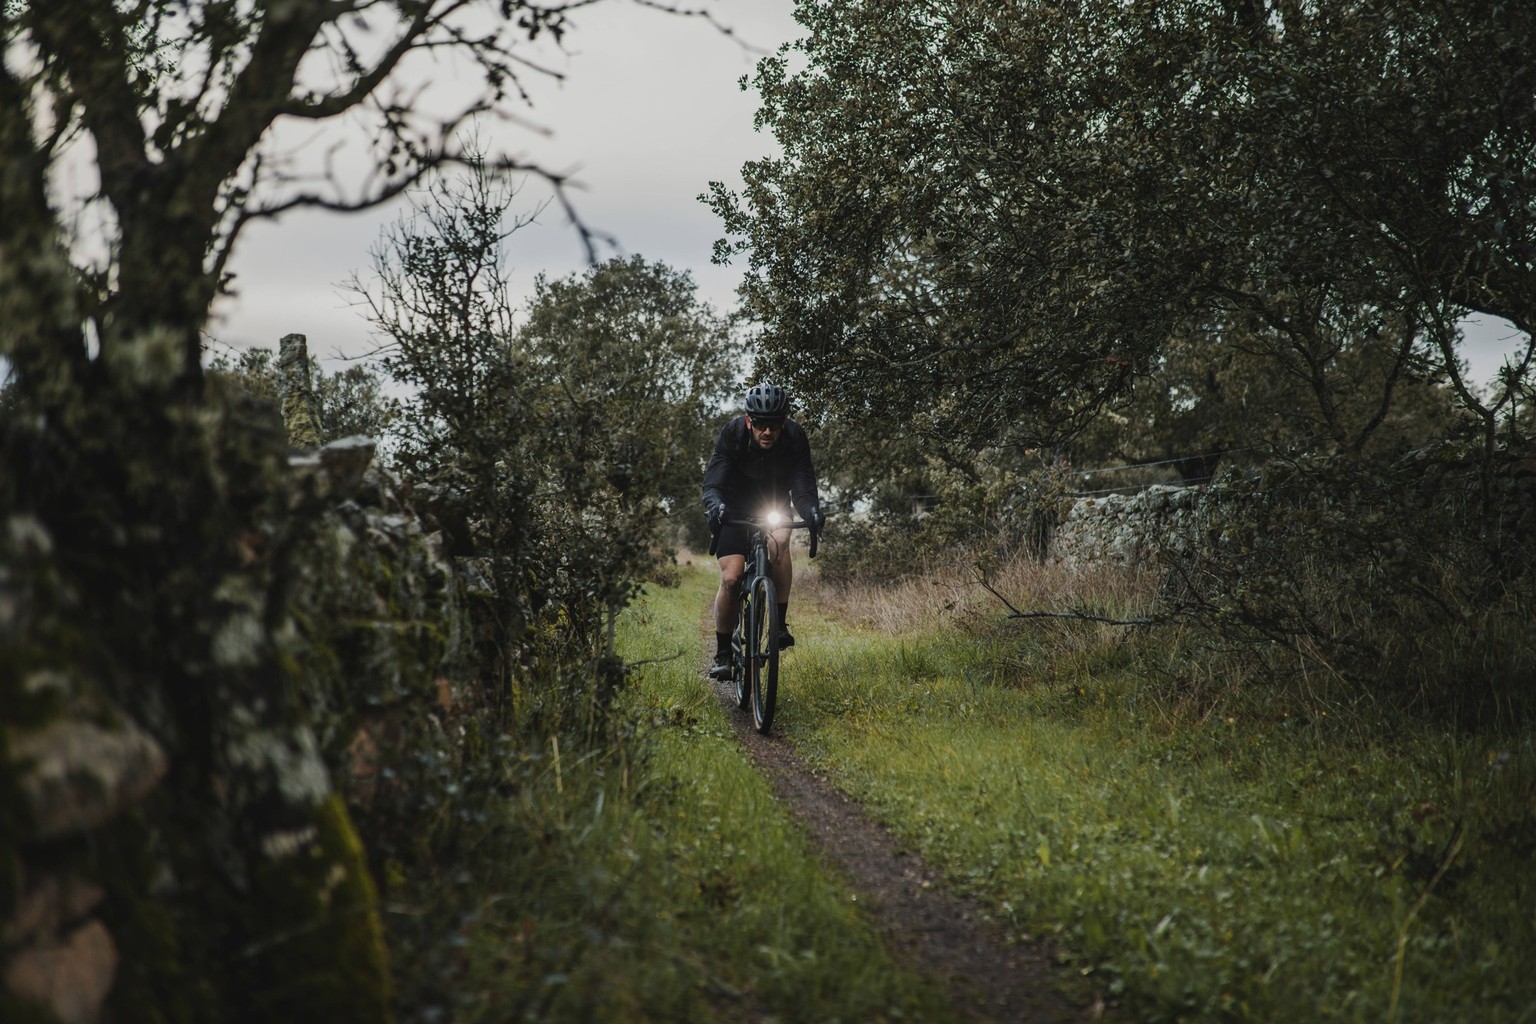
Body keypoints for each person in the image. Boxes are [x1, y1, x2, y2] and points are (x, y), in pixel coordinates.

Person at [701, 382, 824, 680]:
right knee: (732, 578)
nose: (767, 432)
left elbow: (803, 482)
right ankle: (723, 653)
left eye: (774, 425)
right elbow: (714, 481)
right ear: (748, 421)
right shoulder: (732, 434)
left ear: (784, 422)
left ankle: (779, 625)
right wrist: (715, 505)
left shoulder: (795, 437)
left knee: (779, 542)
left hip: (772, 504)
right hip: (733, 507)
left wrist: (811, 510)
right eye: (760, 425)